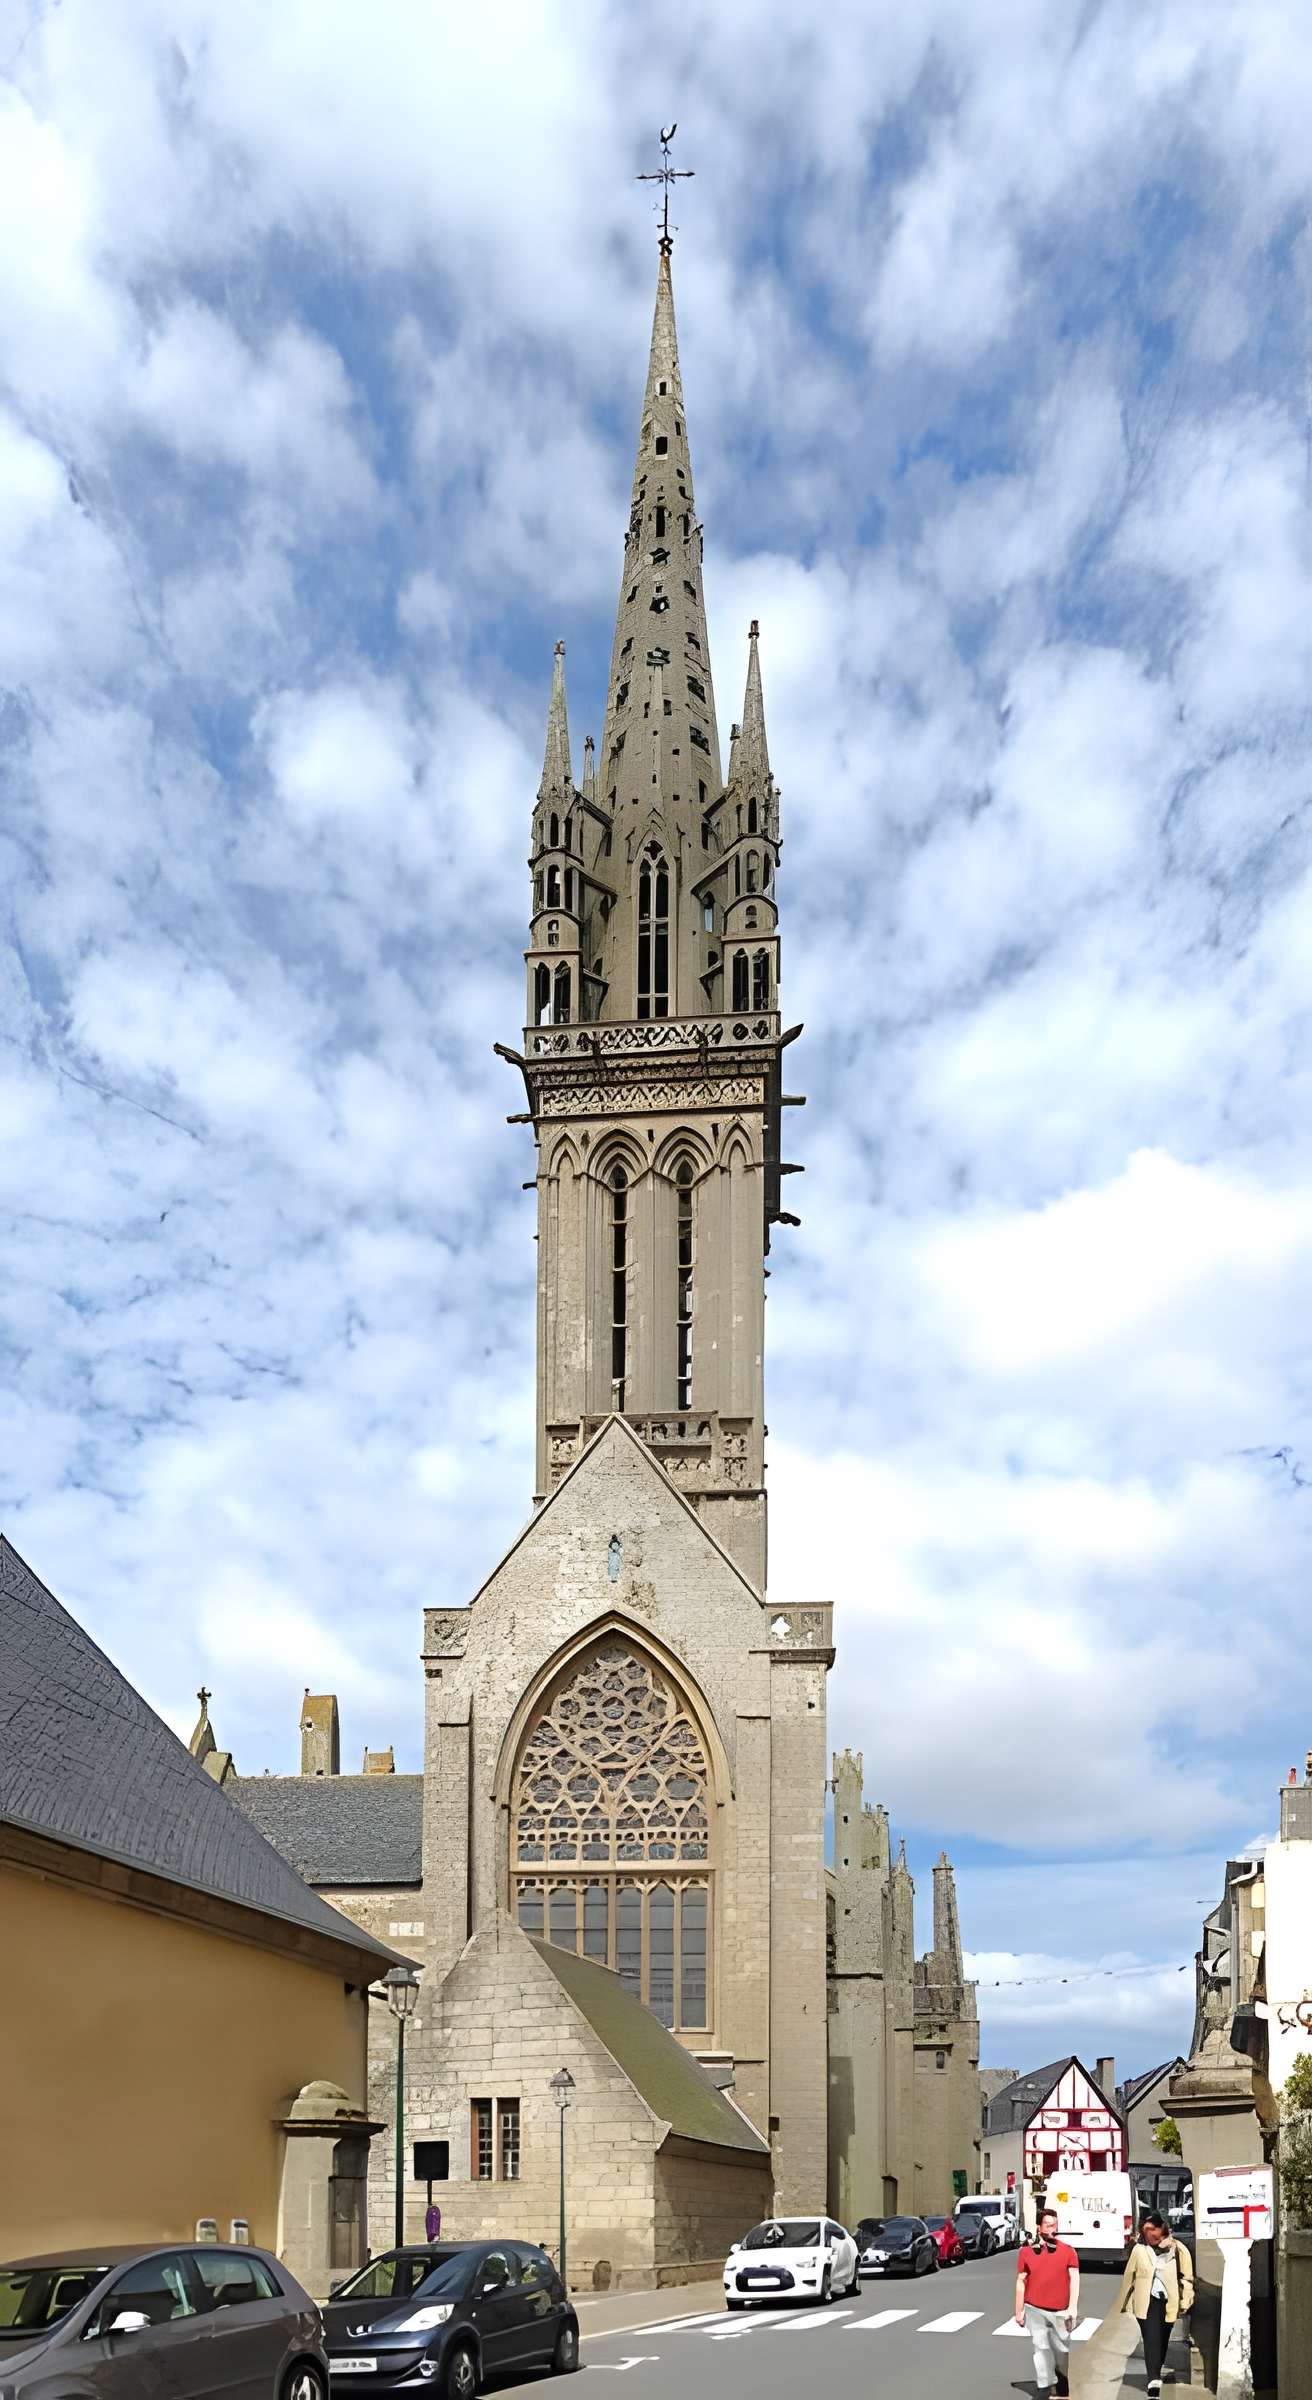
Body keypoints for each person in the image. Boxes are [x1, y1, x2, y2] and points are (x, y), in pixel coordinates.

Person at [1115, 2209, 1195, 2394]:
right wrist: (1123, 2304)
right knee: (1151, 2338)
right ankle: (1153, 2380)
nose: (1149, 2234)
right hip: (1146, 2301)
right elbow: (1129, 2277)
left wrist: (1186, 2299)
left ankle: (1156, 2371)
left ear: (1161, 2229)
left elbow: (1186, 2277)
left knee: (1163, 2339)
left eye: (1152, 2229)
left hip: (1168, 2302)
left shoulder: (1178, 2249)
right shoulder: (1139, 2250)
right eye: (1145, 2230)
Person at [1014, 2206, 1080, 2397]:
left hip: (1061, 2310)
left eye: (1055, 2225)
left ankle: (1062, 2383)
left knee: (1062, 2351)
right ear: (1039, 2227)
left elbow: (1075, 2279)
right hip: (1034, 2308)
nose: (1053, 2229)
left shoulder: (1068, 2251)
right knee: (1040, 2348)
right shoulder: (1026, 2252)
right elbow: (1021, 2280)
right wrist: (1018, 2310)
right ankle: (1043, 2387)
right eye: (1049, 2225)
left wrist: (1073, 2308)